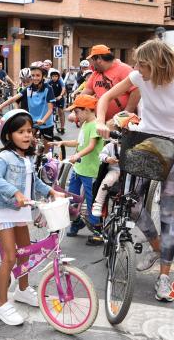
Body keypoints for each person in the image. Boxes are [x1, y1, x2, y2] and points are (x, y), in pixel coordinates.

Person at [95, 39, 174, 301]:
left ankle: (164, 277)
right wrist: (99, 121)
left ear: (157, 64)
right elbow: (106, 97)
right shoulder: (139, 77)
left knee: (167, 214)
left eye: (142, 63)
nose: (136, 67)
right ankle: (156, 246)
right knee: (134, 206)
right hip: (146, 144)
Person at [0, 109, 64, 326]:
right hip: (5, 213)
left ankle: (22, 290)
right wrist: (15, 192)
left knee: (24, 255)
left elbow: (34, 183)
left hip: (22, 213)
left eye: (29, 131)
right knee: (10, 258)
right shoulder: (5, 157)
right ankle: (1, 304)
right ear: (9, 135)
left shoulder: (27, 157)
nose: (27, 135)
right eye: (21, 131)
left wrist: (51, 191)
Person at [53, 94, 104, 245]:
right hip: (78, 168)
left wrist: (77, 156)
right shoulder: (85, 124)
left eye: (77, 112)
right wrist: (62, 143)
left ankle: (97, 231)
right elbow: (79, 142)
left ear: (87, 110)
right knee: (71, 196)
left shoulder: (95, 125)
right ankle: (77, 222)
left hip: (90, 170)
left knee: (91, 202)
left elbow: (91, 146)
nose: (75, 115)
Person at [0, 65, 55, 146]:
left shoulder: (48, 88)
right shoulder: (29, 89)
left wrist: (43, 120)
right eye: (33, 75)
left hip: (46, 122)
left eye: (38, 75)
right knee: (29, 143)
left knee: (47, 151)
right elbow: (13, 99)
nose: (35, 78)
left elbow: (50, 109)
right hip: (33, 121)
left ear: (43, 76)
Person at [81, 45, 139, 121]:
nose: (91, 63)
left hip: (123, 123)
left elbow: (136, 91)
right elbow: (84, 94)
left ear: (99, 59)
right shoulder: (95, 74)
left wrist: (127, 113)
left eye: (92, 60)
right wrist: (76, 112)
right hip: (101, 122)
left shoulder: (124, 69)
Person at [48, 69, 66, 134]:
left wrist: (60, 95)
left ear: (58, 77)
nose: (54, 77)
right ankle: (51, 127)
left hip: (59, 99)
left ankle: (62, 127)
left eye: (56, 76)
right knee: (50, 112)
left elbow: (63, 88)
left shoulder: (60, 82)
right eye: (53, 76)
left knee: (61, 112)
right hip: (52, 99)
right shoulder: (49, 82)